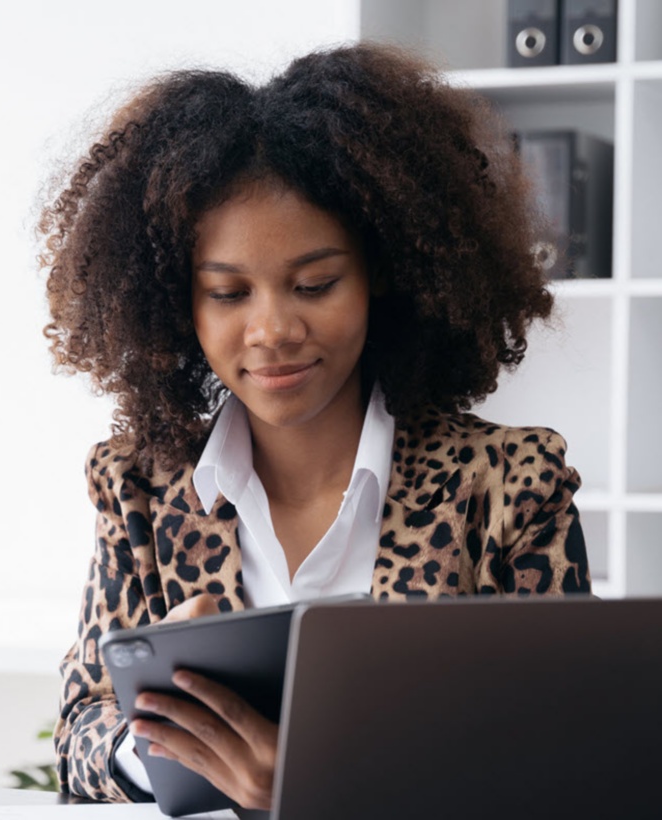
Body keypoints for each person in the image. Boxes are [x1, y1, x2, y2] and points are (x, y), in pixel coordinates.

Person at [38, 42, 591, 809]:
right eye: (229, 294)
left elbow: (572, 745)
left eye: (314, 284)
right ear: (178, 302)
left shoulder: (509, 487)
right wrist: (168, 741)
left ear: (383, 271)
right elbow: (80, 733)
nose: (272, 330)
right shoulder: (141, 489)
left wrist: (321, 778)